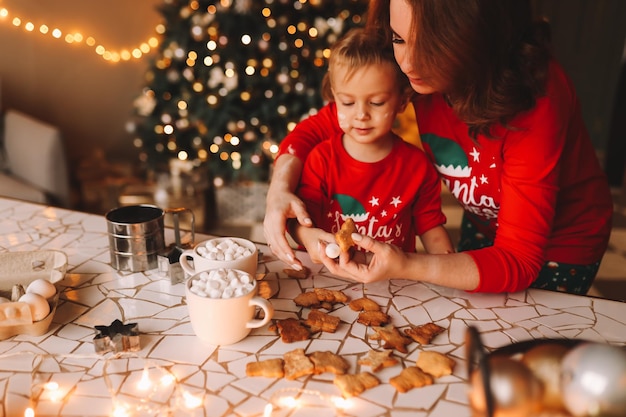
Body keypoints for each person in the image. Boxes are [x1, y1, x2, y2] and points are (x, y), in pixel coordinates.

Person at [264, 0, 613, 295]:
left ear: (475, 39)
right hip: (488, 225)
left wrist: (408, 264)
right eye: (399, 39)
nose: (408, 64)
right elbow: (318, 128)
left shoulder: (538, 98)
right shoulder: (413, 68)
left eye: (430, 45)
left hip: (564, 244)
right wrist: (280, 190)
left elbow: (518, 259)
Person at [288, 28, 454, 261]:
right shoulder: (321, 160)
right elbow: (300, 222)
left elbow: (431, 229)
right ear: (334, 98)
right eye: (347, 102)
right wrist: (308, 238)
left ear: (402, 101)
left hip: (394, 286)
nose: (361, 114)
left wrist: (447, 266)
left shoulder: (417, 166)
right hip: (329, 275)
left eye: (376, 103)